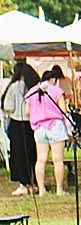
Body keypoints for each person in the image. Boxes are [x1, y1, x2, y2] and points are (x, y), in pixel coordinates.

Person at [25, 67, 69, 196]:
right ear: (53, 79)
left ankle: (41, 189)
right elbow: (63, 110)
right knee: (58, 160)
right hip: (55, 125)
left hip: (39, 128)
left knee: (41, 160)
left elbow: (27, 111)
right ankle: (59, 189)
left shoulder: (32, 92)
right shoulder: (56, 91)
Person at [3, 62, 39, 195]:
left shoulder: (14, 87)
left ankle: (24, 184)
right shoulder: (34, 86)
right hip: (32, 123)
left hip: (17, 122)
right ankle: (34, 182)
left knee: (19, 155)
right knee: (32, 153)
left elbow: (8, 106)